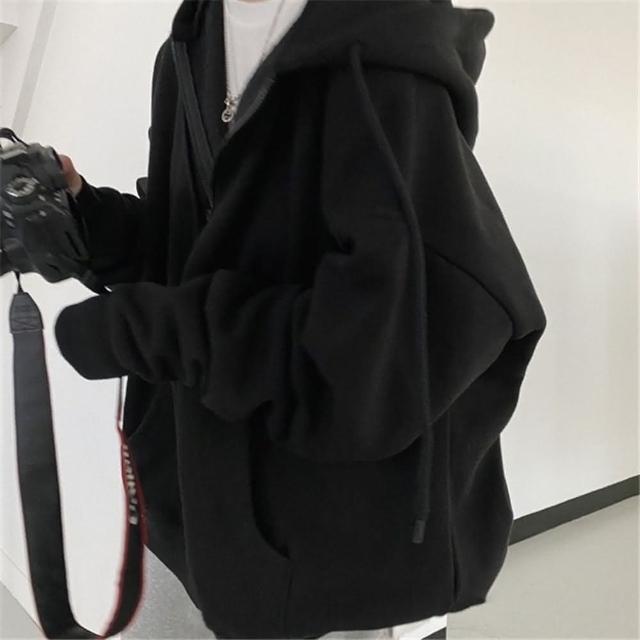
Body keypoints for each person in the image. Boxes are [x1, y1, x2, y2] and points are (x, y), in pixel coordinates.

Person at [54, 0, 547, 638]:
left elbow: (384, 351)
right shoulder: (189, 43)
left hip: (330, 555)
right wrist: (82, 221)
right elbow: (192, 243)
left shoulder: (385, 49)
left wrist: (151, 330)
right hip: (192, 510)